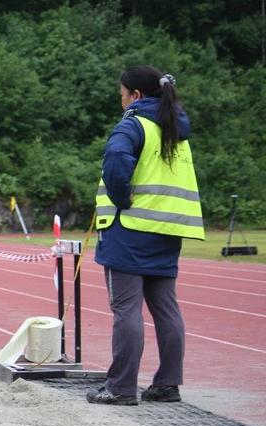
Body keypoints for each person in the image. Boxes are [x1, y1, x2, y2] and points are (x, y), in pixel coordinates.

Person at [87, 66, 204, 406]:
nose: (120, 101)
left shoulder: (134, 123)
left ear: (135, 96)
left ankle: (121, 388)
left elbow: (116, 158)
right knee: (166, 310)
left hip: (131, 229)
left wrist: (120, 199)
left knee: (126, 311)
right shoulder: (175, 128)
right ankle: (167, 384)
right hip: (168, 230)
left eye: (121, 94)